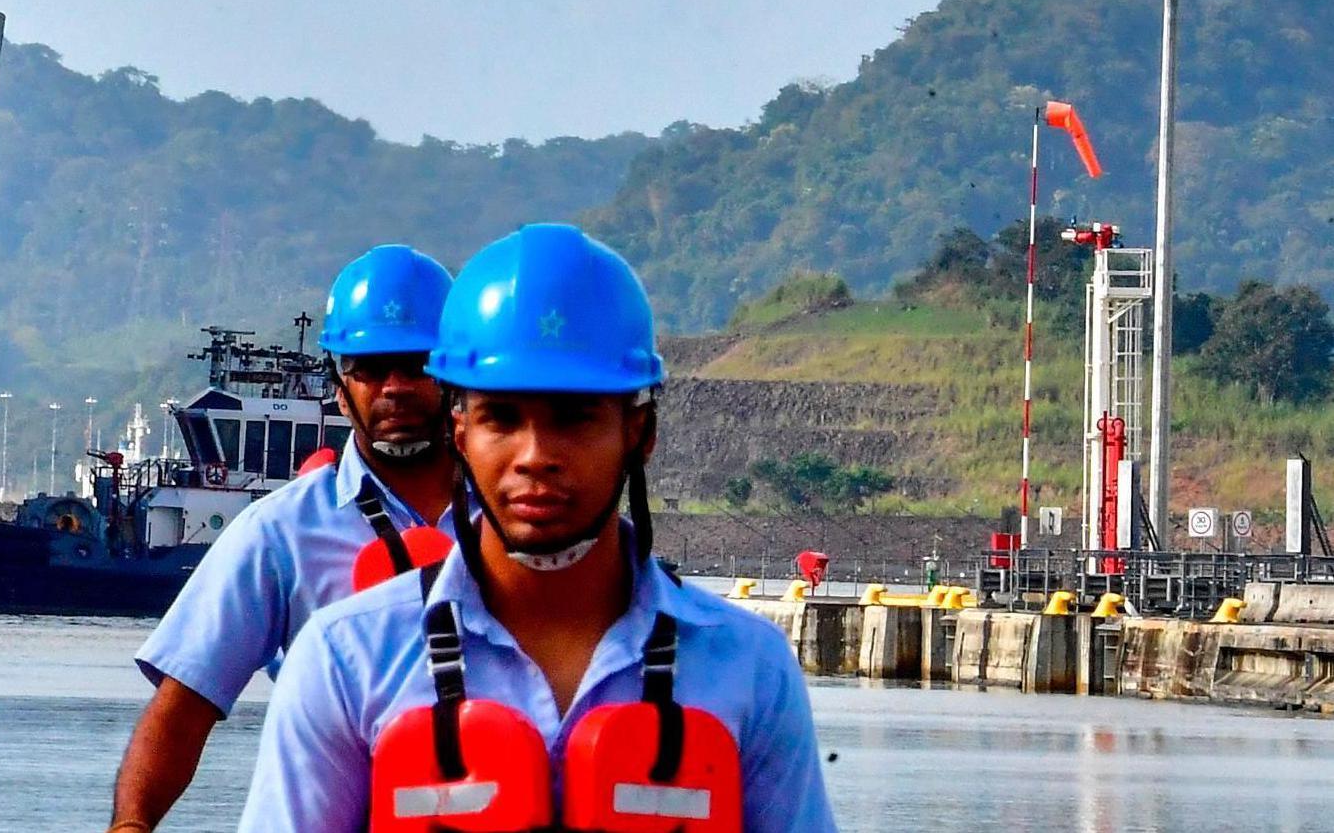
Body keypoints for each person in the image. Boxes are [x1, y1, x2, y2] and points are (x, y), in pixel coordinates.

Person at [239, 224, 837, 833]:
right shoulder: (348, 661)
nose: (535, 455)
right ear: (460, 432)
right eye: (501, 417)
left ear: (641, 434)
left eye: (574, 418)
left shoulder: (749, 669)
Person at [109, 246, 460, 833]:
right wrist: (131, 826)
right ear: (339, 384)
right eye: (369, 367)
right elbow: (181, 709)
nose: (394, 386)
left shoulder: (514, 518)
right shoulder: (279, 534)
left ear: (456, 369)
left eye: (416, 363)